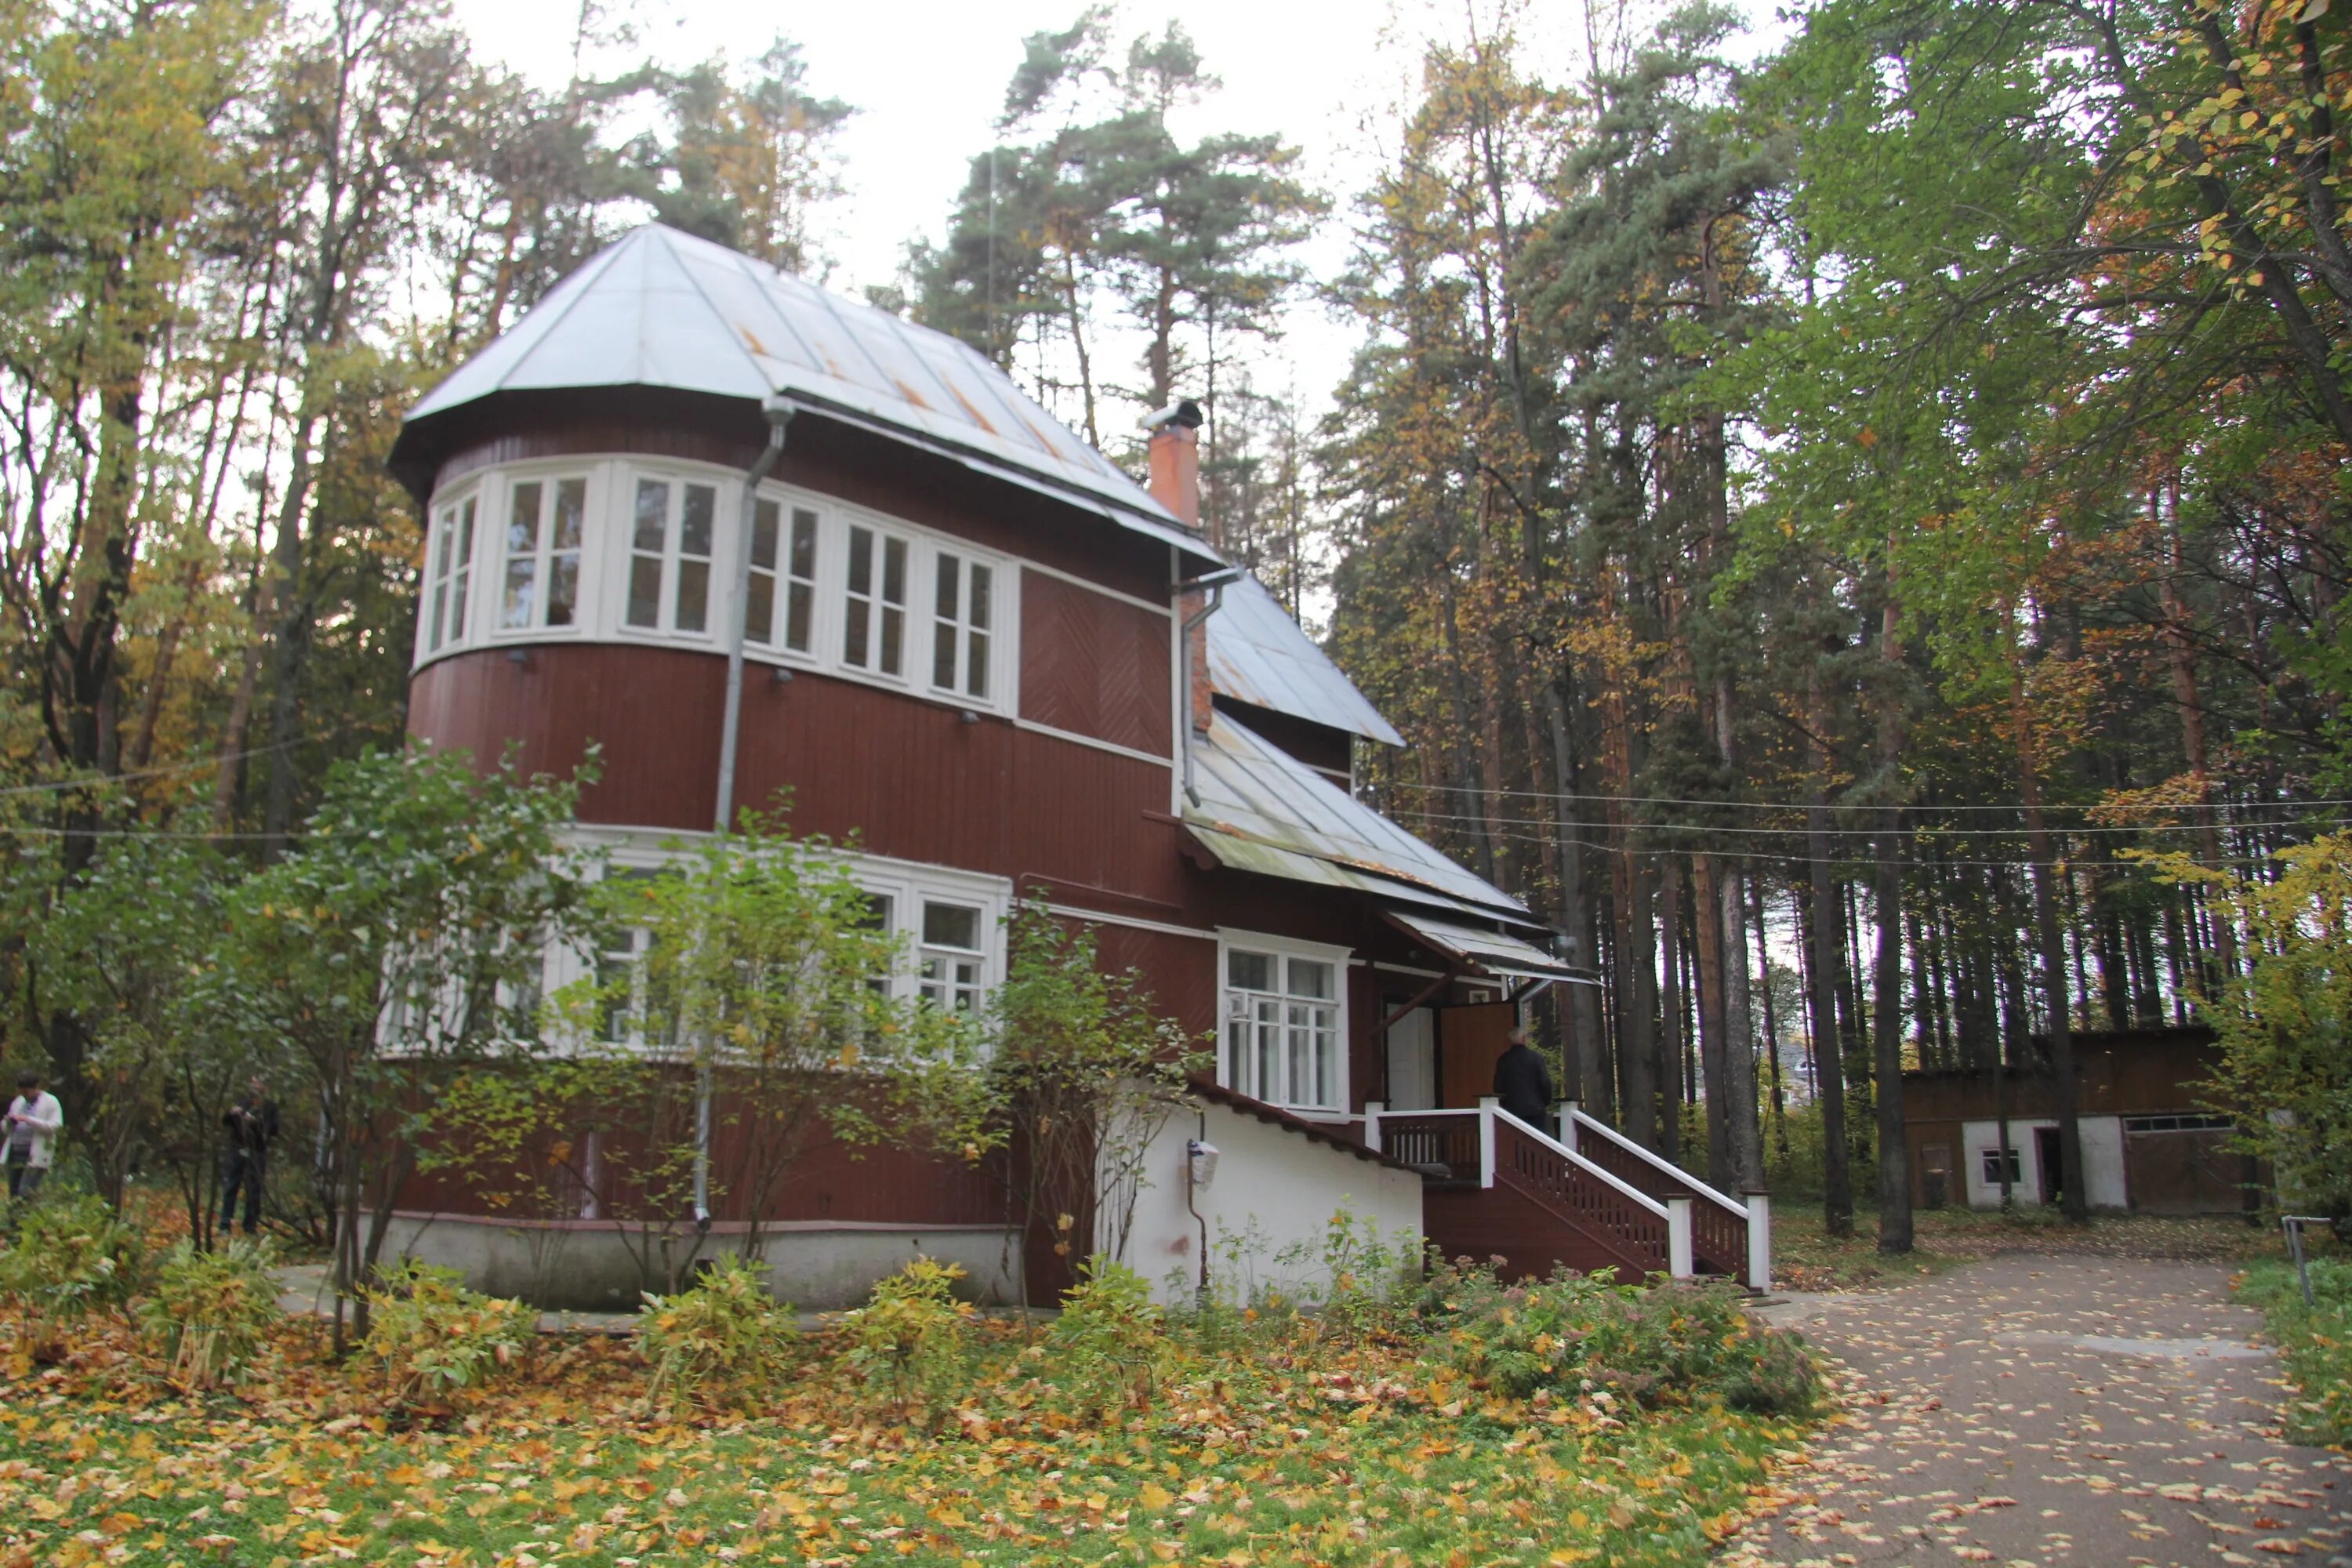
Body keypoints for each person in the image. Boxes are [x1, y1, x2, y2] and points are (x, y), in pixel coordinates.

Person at [220, 1076, 280, 1236]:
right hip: (238, 1148)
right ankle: (225, 1225)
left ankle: (250, 1226)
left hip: (257, 1151)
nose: (255, 1085)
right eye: (253, 1082)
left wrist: (257, 1123)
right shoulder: (242, 1101)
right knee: (231, 1185)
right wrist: (233, 1113)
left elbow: (273, 1129)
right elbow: (226, 1121)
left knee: (254, 1188)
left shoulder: (270, 1107)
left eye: (259, 1082)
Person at [4, 1071, 64, 1200]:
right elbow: (5, 1128)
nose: (24, 1095)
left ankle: (25, 1218)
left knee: (25, 1192)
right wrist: (9, 1122)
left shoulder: (50, 1102)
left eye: (26, 1092)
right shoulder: (18, 1102)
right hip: (16, 1152)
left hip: (34, 1155)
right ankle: (14, 1220)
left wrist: (29, 1120)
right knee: (13, 1194)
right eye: (22, 1092)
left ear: (36, 1087)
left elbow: (56, 1126)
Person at [1492, 1027, 1555, 1129]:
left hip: (1511, 1110)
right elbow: (1545, 1082)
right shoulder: (1536, 1058)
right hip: (1536, 1110)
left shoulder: (1503, 1060)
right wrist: (1544, 1102)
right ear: (1524, 1039)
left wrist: (1505, 1102)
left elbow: (1498, 1086)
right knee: (1536, 1140)